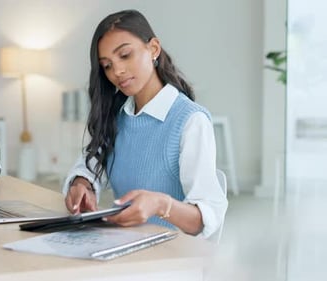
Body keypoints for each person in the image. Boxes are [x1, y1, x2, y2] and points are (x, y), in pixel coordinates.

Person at [62, 9, 228, 239]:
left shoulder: (191, 121)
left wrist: (161, 205)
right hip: (123, 248)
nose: (117, 71)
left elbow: (205, 219)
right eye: (107, 65)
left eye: (125, 55)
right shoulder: (118, 117)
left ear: (154, 49)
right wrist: (82, 185)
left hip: (170, 261)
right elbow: (90, 164)